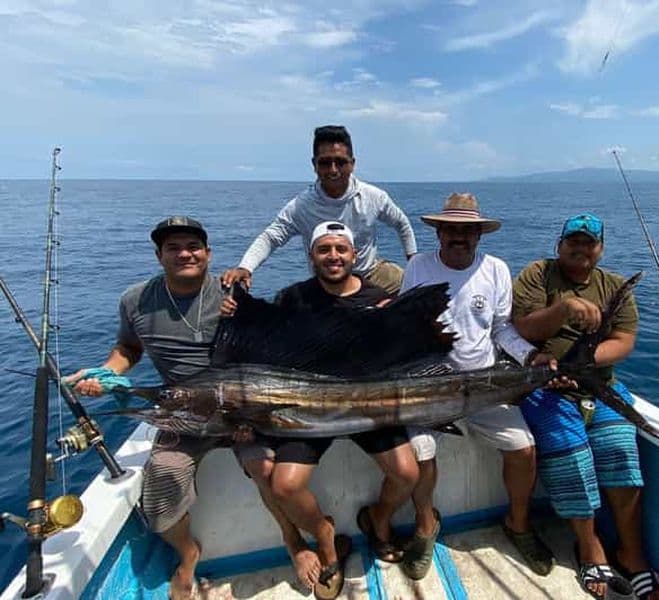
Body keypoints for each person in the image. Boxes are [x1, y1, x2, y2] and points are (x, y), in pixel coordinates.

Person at [65, 217, 297, 600]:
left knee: (268, 468)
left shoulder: (230, 294)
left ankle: (291, 538)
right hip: (180, 414)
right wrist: (105, 374)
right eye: (173, 248)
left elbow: (264, 355)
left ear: (208, 253)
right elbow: (128, 349)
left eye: (193, 246)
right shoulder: (135, 300)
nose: (184, 253)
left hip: (239, 413)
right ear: (159, 256)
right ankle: (188, 554)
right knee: (158, 495)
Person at [221, 220, 420, 600]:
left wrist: (392, 321)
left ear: (354, 254)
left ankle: (378, 518)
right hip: (308, 411)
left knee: (407, 473)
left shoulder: (378, 297)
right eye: (324, 250)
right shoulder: (293, 298)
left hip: (366, 407)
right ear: (311, 256)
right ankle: (325, 536)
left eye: (340, 249)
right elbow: (264, 345)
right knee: (285, 485)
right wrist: (235, 313)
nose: (333, 257)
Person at [397, 193, 555, 581]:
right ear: (439, 232)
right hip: (430, 388)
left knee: (524, 448)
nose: (459, 236)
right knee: (419, 454)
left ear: (479, 235)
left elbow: (502, 329)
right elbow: (403, 327)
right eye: (451, 229)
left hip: (484, 384)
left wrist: (530, 356)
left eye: (467, 230)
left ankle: (517, 524)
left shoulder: (497, 269)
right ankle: (425, 527)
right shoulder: (418, 266)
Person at [512, 213, 659, 600]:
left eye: (589, 243)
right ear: (559, 245)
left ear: (600, 248)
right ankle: (589, 546)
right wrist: (565, 309)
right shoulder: (537, 274)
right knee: (572, 454)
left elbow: (624, 341)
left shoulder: (614, 286)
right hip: (544, 386)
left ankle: (631, 552)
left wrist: (583, 365)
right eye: (573, 242)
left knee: (620, 445)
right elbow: (523, 328)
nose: (580, 248)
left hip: (599, 384)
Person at [222, 125, 416, 295]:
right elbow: (271, 237)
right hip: (326, 285)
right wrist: (245, 268)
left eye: (340, 162)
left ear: (352, 164)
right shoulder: (301, 206)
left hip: (371, 274)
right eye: (325, 162)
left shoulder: (374, 197)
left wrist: (413, 260)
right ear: (314, 165)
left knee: (419, 289)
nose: (333, 170)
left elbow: (401, 223)